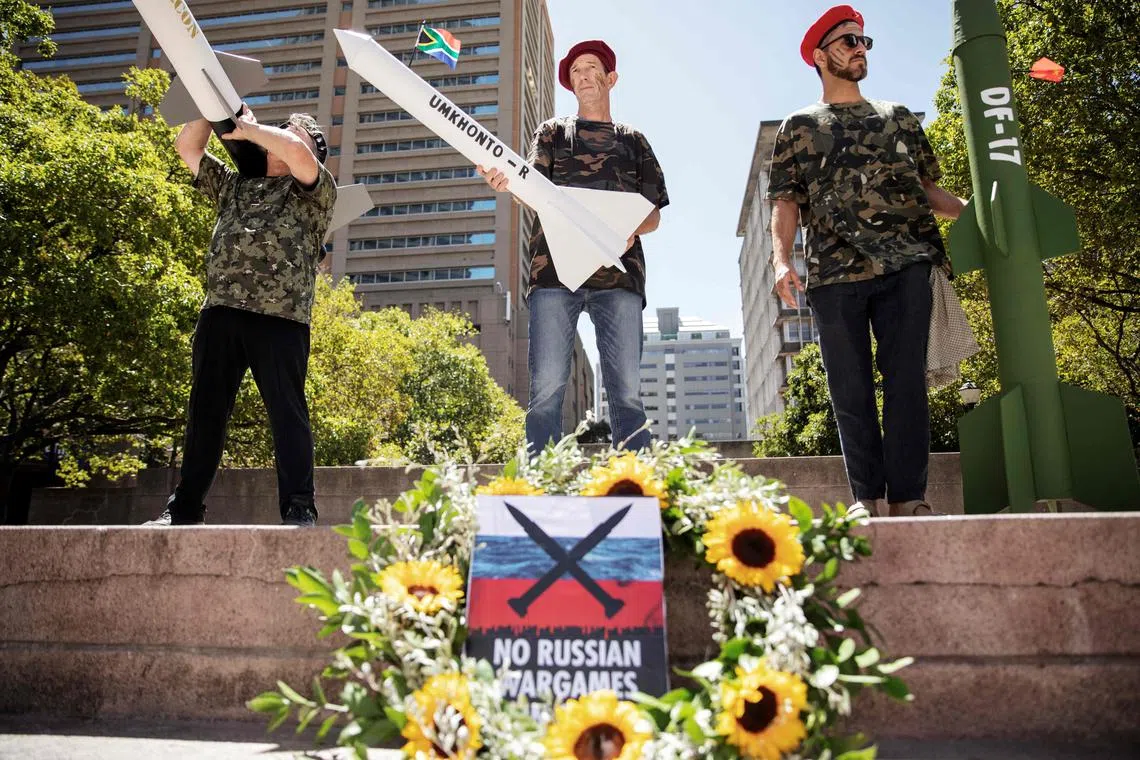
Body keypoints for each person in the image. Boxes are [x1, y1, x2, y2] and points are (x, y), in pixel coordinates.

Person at [768, 5, 966, 517]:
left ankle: (908, 498)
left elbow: (929, 191)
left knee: (906, 384)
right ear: (820, 56)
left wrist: (978, 214)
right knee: (849, 388)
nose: (860, 48)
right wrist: (779, 261)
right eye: (848, 41)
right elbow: (785, 202)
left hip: (907, 265)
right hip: (835, 274)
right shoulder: (798, 127)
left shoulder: (897, 116)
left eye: (864, 41)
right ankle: (867, 498)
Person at [145, 107, 336, 526]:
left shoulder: (314, 191)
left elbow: (298, 156)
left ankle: (298, 506)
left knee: (287, 413)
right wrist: (206, 109)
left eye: (293, 133)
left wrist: (245, 128)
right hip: (220, 313)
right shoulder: (235, 185)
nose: (284, 136)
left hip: (281, 318)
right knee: (205, 412)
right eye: (282, 130)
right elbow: (187, 147)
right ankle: (185, 508)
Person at [477, 40, 669, 453]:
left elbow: (653, 214)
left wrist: (630, 227)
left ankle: (635, 480)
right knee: (546, 388)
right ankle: (541, 479)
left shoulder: (634, 141)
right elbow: (530, 189)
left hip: (619, 277)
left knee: (628, 392)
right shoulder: (552, 133)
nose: (581, 76)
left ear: (610, 78)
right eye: (575, 72)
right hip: (554, 274)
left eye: (590, 68)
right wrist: (507, 184)